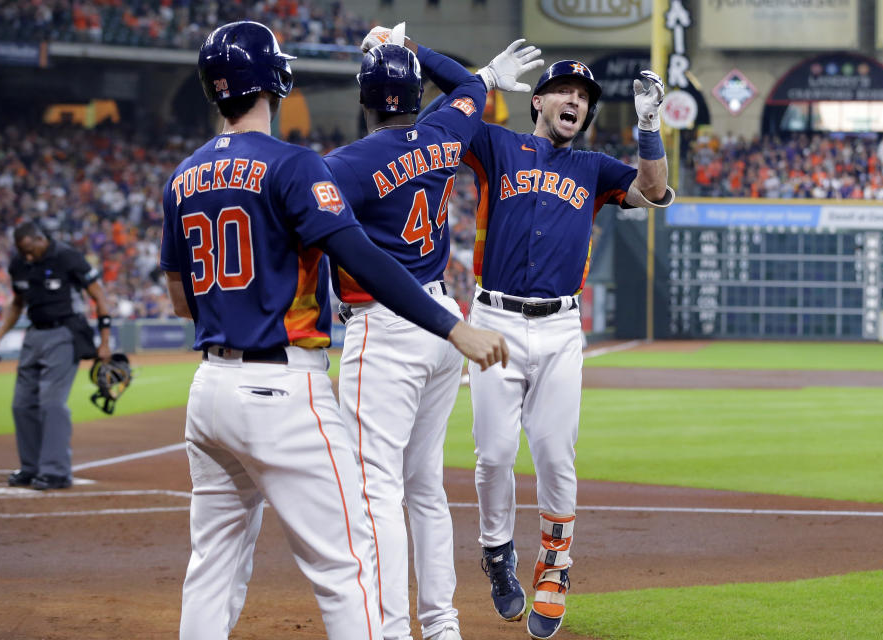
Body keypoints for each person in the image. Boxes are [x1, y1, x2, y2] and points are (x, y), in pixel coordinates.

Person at [161, 21, 508, 640]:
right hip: (285, 383)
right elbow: (368, 260)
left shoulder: (182, 177)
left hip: (208, 387)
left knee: (211, 569)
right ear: (274, 80)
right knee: (349, 560)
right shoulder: (296, 165)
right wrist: (453, 330)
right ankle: (435, 625)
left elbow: (180, 296)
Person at [426, 58, 673, 638]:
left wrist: (648, 125)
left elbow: (655, 191)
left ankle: (556, 565)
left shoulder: (592, 168)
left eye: (583, 96)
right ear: (537, 101)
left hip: (561, 329)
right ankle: (496, 553)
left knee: (556, 455)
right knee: (492, 454)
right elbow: (440, 128)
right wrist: (479, 79)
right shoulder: (496, 145)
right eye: (562, 90)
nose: (574, 101)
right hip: (494, 321)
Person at [325, 24, 542, 640]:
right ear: (417, 94)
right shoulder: (447, 131)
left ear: (367, 99)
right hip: (445, 324)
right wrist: (418, 50)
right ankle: (441, 626)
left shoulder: (348, 162)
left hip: (386, 325)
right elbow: (470, 86)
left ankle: (393, 630)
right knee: (424, 488)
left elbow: (314, 233)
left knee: (375, 491)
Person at [0, 222, 113, 490]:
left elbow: (98, 296)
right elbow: (18, 303)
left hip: (65, 333)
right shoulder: (19, 264)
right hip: (34, 334)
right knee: (21, 404)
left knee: (52, 403)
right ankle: (31, 468)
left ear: (41, 239)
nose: (28, 256)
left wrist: (104, 342)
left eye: (31, 250)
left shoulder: (68, 257)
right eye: (23, 252)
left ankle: (55, 471)